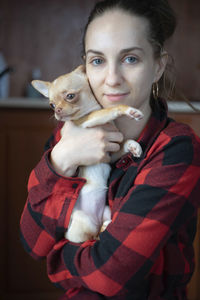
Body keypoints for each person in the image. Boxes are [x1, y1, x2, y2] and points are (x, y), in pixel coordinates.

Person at [20, 0, 200, 299]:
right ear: (84, 67)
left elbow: (109, 277)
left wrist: (56, 263)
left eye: (130, 59)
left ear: (158, 66)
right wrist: (62, 159)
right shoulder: (67, 138)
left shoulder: (177, 150)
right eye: (98, 61)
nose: (112, 79)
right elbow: (32, 241)